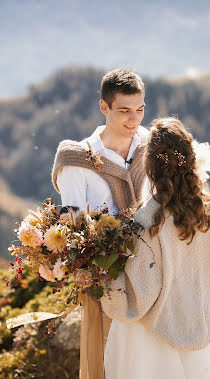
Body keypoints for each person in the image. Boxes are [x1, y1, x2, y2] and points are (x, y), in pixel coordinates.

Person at [101, 117, 210, 379]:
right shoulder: (209, 213)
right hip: (195, 322)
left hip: (151, 334)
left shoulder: (148, 218)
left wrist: (108, 282)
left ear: (150, 165)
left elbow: (142, 292)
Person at [51, 68, 149, 374]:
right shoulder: (77, 160)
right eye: (124, 111)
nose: (134, 120)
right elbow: (75, 229)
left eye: (140, 110)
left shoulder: (150, 144)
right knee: (109, 362)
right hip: (107, 277)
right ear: (103, 107)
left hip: (153, 271)